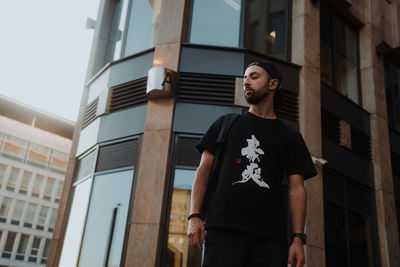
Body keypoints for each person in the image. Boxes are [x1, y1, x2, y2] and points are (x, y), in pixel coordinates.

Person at [186, 61, 317, 267]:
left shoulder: (289, 136)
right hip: (223, 231)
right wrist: (194, 215)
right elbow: (203, 171)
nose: (246, 82)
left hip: (269, 238)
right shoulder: (225, 124)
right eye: (245, 78)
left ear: (273, 84)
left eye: (254, 77)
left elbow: (297, 189)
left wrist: (298, 239)